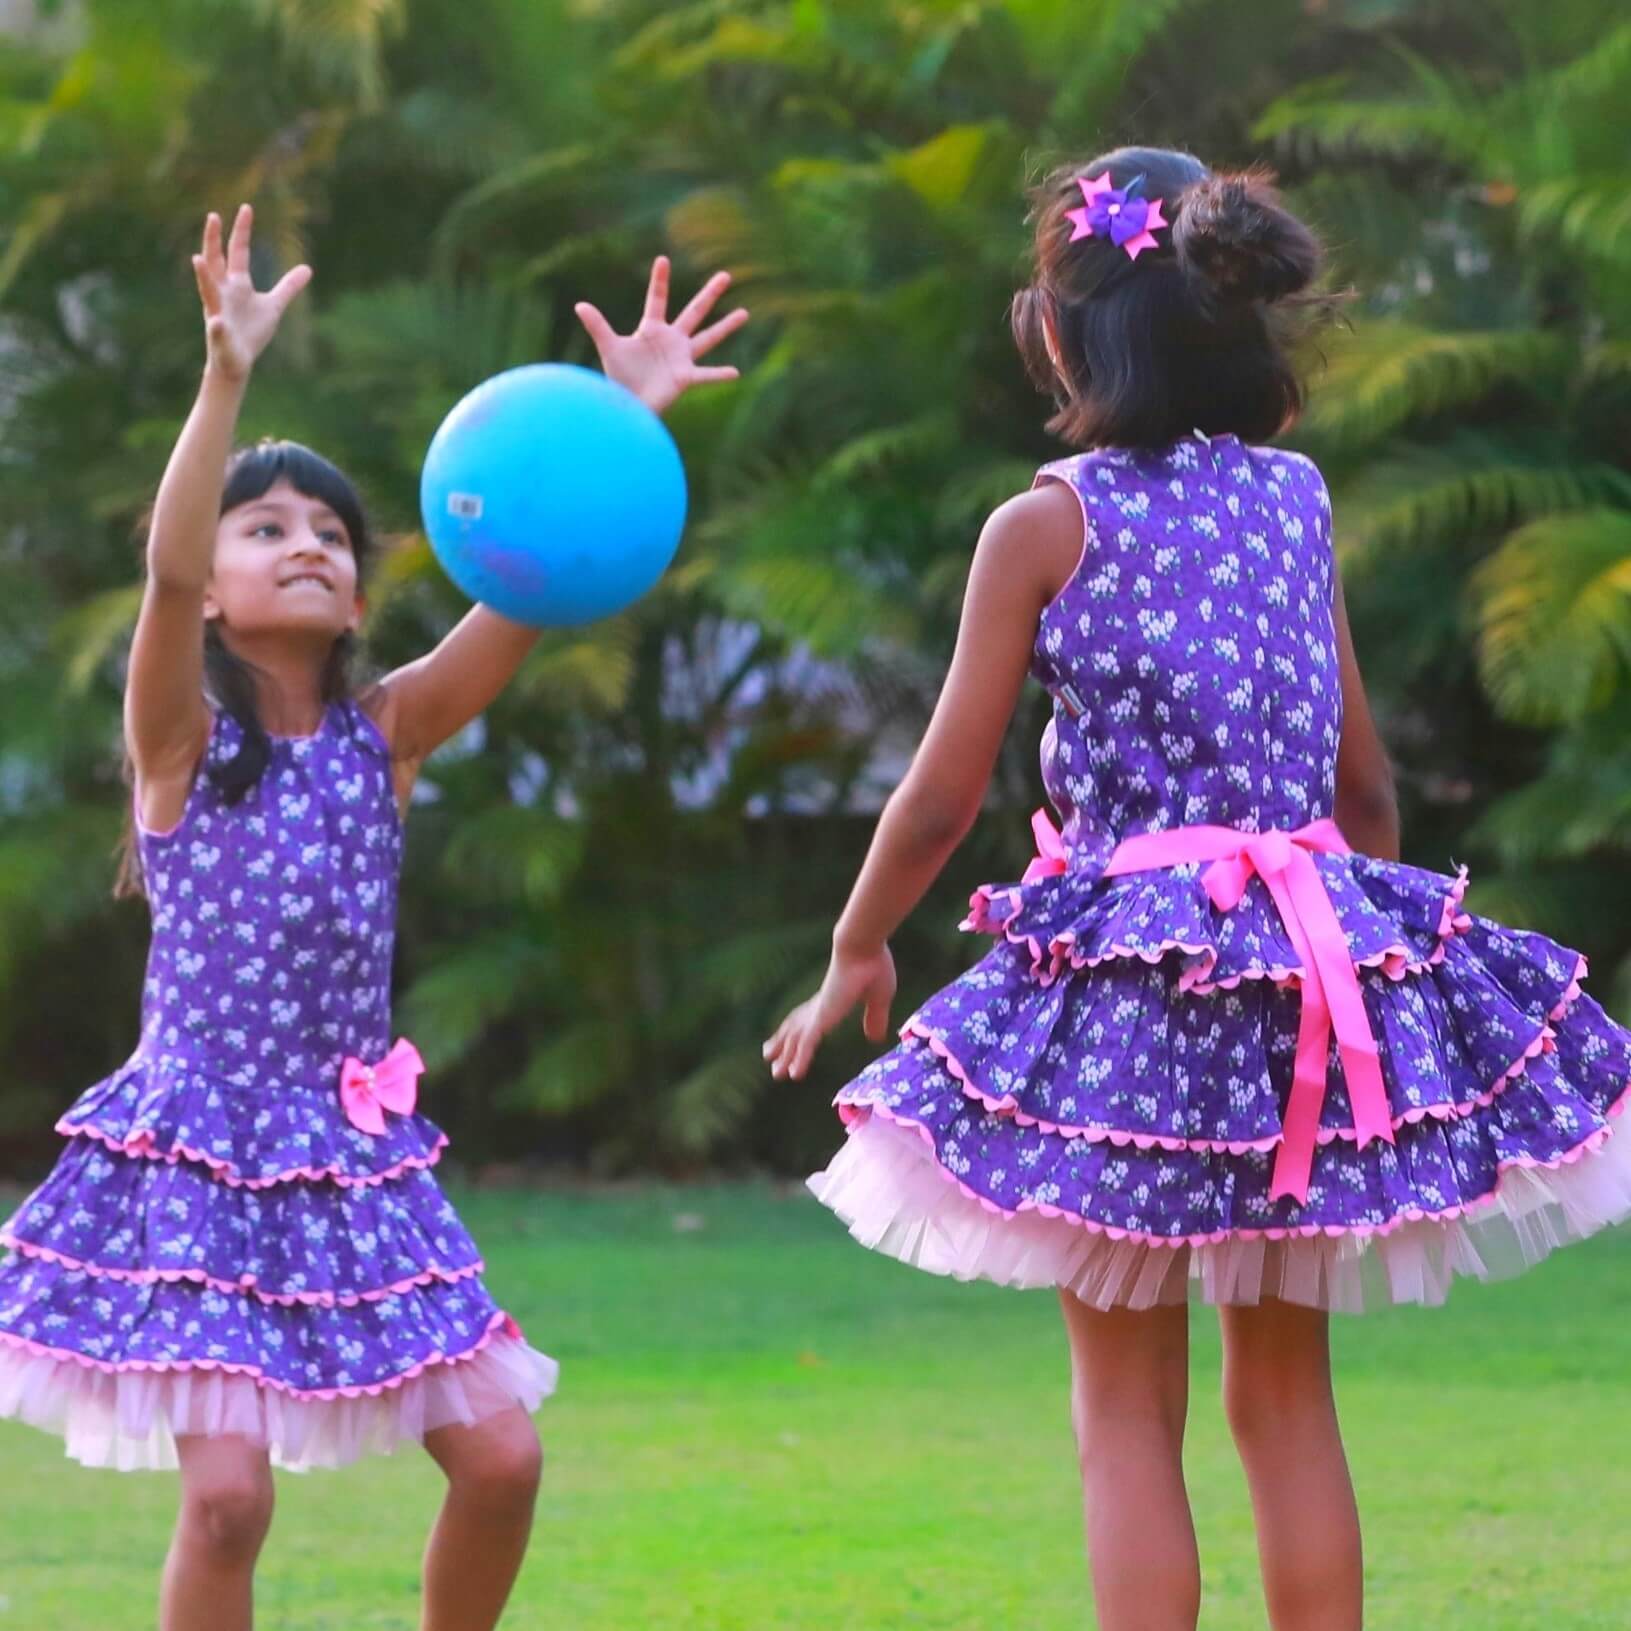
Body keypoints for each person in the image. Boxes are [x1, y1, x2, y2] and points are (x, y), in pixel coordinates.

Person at [764, 147, 1631, 1631]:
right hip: (1308, 980)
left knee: (1123, 1412)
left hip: (1134, 993)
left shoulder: (1046, 523)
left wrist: (857, 944)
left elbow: (942, 796)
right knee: (1286, 1401)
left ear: (1063, 331)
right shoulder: (1295, 499)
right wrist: (1361, 948)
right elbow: (1364, 784)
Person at [0, 204, 746, 1631]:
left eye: (331, 534)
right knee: (228, 1502)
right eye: (266, 528)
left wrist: (619, 422)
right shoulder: (180, 745)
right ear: (213, 594)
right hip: (198, 1153)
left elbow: (530, 573)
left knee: (505, 1461)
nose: (307, 545)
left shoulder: (385, 736)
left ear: (357, 596)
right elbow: (163, 571)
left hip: (352, 1157)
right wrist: (224, 379)